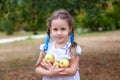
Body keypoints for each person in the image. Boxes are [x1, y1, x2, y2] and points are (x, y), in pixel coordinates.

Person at [35, 9, 82, 80]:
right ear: (50, 29)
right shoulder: (46, 48)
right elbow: (38, 68)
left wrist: (56, 70)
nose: (59, 33)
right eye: (55, 29)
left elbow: (72, 71)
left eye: (63, 29)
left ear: (69, 29)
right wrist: (50, 73)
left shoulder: (73, 48)